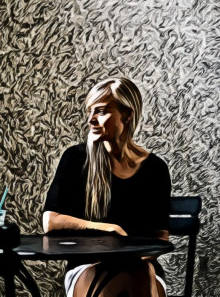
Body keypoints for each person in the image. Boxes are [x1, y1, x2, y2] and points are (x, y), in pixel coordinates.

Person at [43, 77, 171, 297]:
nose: (91, 119)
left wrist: (133, 258)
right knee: (130, 276)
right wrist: (107, 229)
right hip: (87, 268)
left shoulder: (154, 168)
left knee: (138, 272)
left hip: (145, 269)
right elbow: (51, 221)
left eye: (101, 111)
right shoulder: (76, 159)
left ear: (127, 114)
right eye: (90, 111)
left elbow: (160, 237)